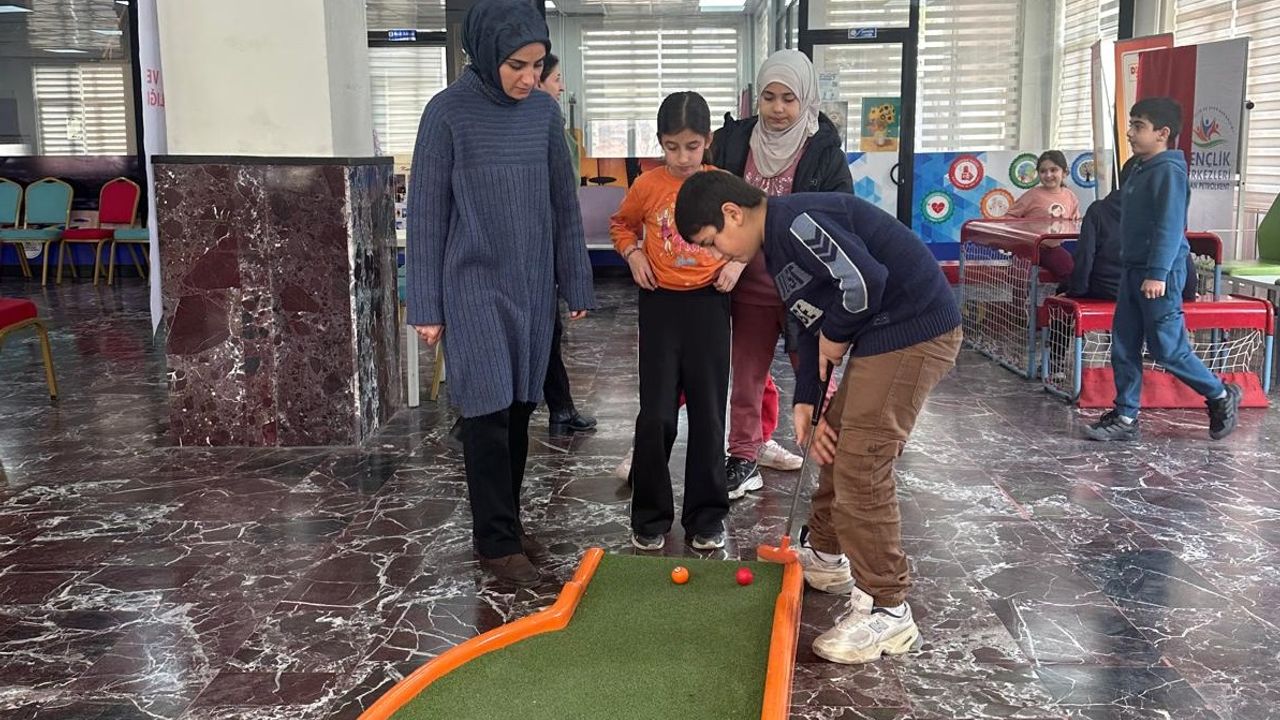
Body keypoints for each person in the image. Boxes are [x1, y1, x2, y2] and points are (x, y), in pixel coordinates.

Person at [674, 170, 961, 664]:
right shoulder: (776, 248)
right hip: (884, 335)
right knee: (836, 438)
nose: (718, 255)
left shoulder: (797, 222)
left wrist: (838, 332)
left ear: (731, 213)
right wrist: (807, 398)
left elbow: (866, 281)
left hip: (914, 330)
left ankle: (889, 610)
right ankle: (826, 555)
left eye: (712, 242)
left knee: (862, 463)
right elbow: (808, 323)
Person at [405, 0, 595, 586]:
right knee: (486, 411)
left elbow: (564, 204)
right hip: (473, 285)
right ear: (487, 55)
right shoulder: (446, 113)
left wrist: (575, 279)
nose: (529, 78)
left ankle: (506, 523)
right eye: (517, 65)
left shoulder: (542, 115)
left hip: (532, 286)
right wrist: (426, 304)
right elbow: (427, 213)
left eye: (538, 65)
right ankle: (494, 541)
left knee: (518, 409)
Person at [710, 49, 853, 500]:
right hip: (747, 288)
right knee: (747, 377)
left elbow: (840, 217)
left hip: (805, 291)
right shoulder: (735, 143)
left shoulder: (824, 152)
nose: (777, 109)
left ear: (805, 99)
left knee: (817, 376)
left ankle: (840, 459)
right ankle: (743, 456)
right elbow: (714, 203)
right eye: (768, 97)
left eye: (788, 99)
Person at [611, 92, 741, 552]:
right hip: (660, 306)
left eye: (691, 146)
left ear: (707, 141)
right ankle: (649, 516)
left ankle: (707, 516)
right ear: (660, 142)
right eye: (671, 147)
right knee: (657, 415)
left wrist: (737, 264)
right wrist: (633, 254)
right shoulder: (647, 185)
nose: (682, 157)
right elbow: (622, 225)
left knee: (708, 413)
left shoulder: (722, 184)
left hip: (709, 305)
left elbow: (753, 229)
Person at [1084, 97, 1241, 442]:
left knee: (1167, 349)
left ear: (1162, 133)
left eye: (1138, 126)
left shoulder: (1169, 171)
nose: (1130, 133)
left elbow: (1170, 227)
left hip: (1160, 275)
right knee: (1123, 345)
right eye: (1131, 124)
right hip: (1133, 270)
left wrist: (1157, 273)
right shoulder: (1141, 168)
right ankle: (1126, 416)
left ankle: (1219, 394)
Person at [537, 53, 596, 434]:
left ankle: (561, 407)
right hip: (539, 241)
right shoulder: (542, 128)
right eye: (556, 78)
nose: (561, 87)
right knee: (545, 332)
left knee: (548, 332)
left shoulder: (552, 123)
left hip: (550, 240)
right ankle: (559, 408)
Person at [1066, 158, 1199, 303]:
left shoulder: (1098, 210)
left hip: (1106, 292)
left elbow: (1085, 256)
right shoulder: (1167, 212)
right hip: (1156, 295)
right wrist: (1188, 296)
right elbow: (1182, 257)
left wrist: (1076, 292)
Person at [1004, 150, 1079, 284]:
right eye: (1043, 171)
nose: (1048, 175)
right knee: (1020, 277)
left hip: (1051, 249)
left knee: (1071, 271)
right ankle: (1021, 298)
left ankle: (1061, 296)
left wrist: (1077, 219)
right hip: (1027, 248)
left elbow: (1075, 219)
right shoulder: (1032, 195)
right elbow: (1009, 217)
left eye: (1053, 170)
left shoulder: (1070, 196)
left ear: (1064, 172)